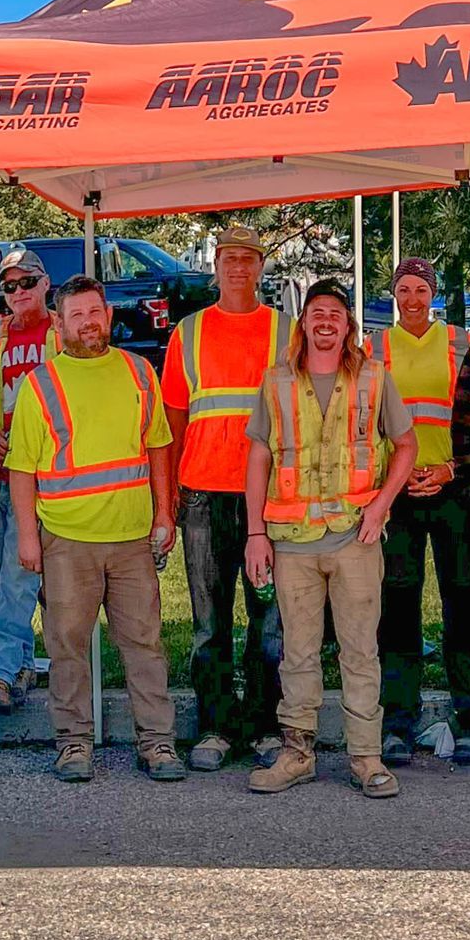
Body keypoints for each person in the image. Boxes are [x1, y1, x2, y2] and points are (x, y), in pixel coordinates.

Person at [244, 280, 417, 798]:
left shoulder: (374, 378)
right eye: (316, 313)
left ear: (348, 326)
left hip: (354, 538)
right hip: (291, 539)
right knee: (296, 652)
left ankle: (366, 757)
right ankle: (297, 752)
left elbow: (405, 446)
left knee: (360, 651)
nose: (325, 322)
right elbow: (259, 457)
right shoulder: (276, 381)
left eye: (335, 314)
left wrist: (381, 507)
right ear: (304, 323)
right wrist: (255, 532)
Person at [8, 275, 182, 783]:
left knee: (145, 643)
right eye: (77, 315)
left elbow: (158, 447)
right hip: (66, 540)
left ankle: (157, 743)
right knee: (67, 645)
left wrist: (164, 512)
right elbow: (23, 469)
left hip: (131, 538)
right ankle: (74, 744)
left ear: (109, 316)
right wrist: (26, 536)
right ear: (59, 324)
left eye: (95, 312)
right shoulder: (41, 383)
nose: (89, 322)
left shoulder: (138, 372)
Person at [162, 224, 292, 771]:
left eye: (248, 259)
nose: (238, 268)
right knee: (209, 622)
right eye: (229, 259)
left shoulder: (288, 332)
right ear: (216, 266)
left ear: (261, 267)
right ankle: (214, 726)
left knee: (270, 622)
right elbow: (171, 420)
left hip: (270, 499)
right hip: (202, 497)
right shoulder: (188, 333)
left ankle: (263, 727)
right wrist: (165, 496)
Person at [369, 257, 470, 767]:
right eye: (404, 289)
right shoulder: (374, 347)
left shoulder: (464, 345)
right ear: (394, 295)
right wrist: (396, 476)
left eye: (421, 289)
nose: (413, 299)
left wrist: (448, 470)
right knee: (397, 609)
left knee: (463, 604)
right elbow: (368, 420)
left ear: (433, 295)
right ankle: (398, 720)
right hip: (397, 493)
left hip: (454, 490)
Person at [0, 246, 61, 712]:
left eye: (27, 282)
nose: (19, 292)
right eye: (10, 285)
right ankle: (23, 660)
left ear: (46, 284)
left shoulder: (64, 333)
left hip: (39, 477)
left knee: (20, 575)